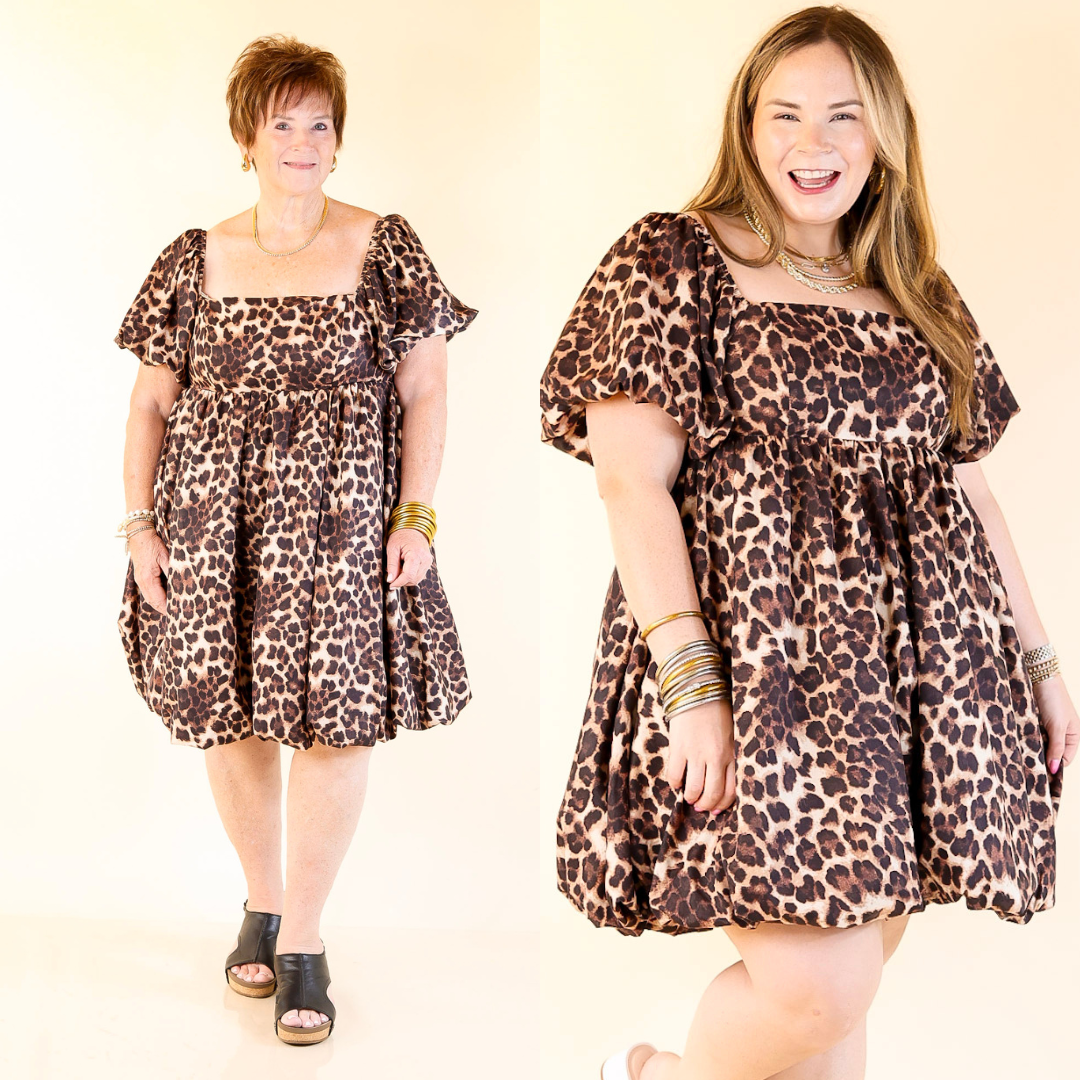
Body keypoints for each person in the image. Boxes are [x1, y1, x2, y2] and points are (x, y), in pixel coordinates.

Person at [538, 6, 1076, 1079]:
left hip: (919, 682)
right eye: (782, 114)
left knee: (851, 983)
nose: (810, 143)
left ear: (883, 134)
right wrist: (694, 685)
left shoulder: (919, 296)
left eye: (842, 116)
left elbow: (969, 495)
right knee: (816, 988)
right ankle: (653, 1077)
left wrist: (1041, 664)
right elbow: (629, 482)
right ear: (747, 127)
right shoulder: (674, 260)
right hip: (761, 668)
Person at [114, 34, 476, 1046]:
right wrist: (140, 525)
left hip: (344, 526)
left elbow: (427, 387)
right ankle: (262, 901)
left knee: (334, 723)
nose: (306, 142)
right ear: (247, 137)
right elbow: (150, 404)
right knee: (231, 721)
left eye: (322, 124)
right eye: (285, 124)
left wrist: (417, 513)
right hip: (211, 523)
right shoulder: (195, 256)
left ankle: (306, 943)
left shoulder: (386, 245)